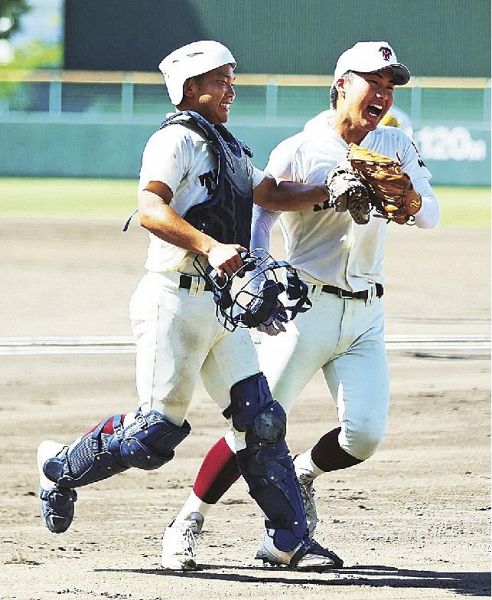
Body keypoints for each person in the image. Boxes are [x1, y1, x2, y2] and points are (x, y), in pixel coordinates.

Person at [36, 40, 344, 572]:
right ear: (190, 89)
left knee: (262, 421)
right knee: (154, 434)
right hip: (171, 302)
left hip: (220, 308)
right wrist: (209, 245)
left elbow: (268, 195)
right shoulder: (175, 138)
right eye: (221, 79)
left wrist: (329, 192)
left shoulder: (230, 146)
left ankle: (290, 541)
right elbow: (151, 209)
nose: (232, 87)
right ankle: (60, 468)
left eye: (231, 77)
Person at [163, 40, 439, 569]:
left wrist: (410, 199)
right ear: (342, 85)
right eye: (372, 81)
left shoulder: (395, 145)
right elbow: (262, 207)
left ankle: (303, 477)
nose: (382, 93)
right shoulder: (303, 146)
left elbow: (429, 216)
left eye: (389, 85)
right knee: (253, 426)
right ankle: (187, 521)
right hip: (304, 309)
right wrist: (264, 272)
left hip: (366, 313)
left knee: (364, 435)